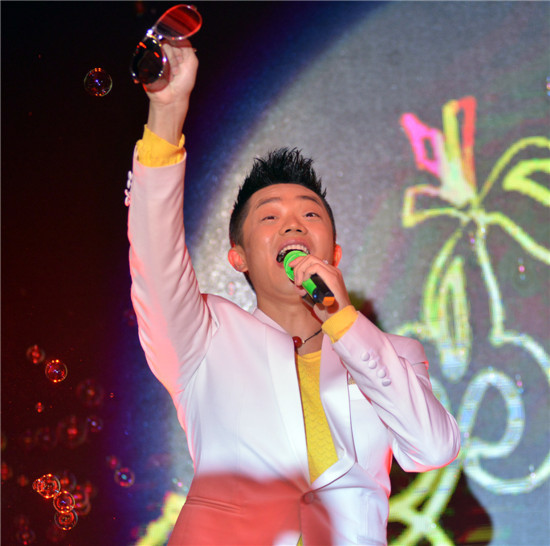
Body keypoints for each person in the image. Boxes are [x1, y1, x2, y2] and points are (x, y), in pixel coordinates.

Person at [126, 43, 460, 546]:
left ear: (335, 252)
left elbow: (433, 448)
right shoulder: (205, 337)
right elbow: (156, 256)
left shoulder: (393, 352)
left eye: (310, 214)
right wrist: (168, 111)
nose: (293, 225)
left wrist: (343, 322)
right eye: (269, 216)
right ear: (237, 256)